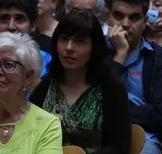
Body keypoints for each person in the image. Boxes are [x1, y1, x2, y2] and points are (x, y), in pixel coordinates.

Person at [31, 11, 131, 154]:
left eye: (80, 41)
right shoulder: (44, 86)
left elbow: (119, 147)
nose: (69, 48)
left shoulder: (111, 87)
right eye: (64, 39)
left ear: (94, 48)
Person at [105, 0, 162, 154]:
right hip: (100, 136)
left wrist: (113, 114)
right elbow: (94, 105)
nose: (125, 24)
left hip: (145, 138)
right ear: (108, 17)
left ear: (145, 22)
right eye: (118, 16)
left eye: (134, 17)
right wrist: (120, 55)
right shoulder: (95, 52)